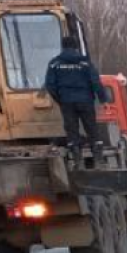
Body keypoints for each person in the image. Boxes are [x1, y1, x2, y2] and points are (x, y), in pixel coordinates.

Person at [44, 35, 109, 169]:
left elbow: (50, 85)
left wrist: (60, 99)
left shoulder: (54, 63)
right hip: (85, 101)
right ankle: (98, 161)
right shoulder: (85, 62)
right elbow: (95, 81)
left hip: (67, 102)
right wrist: (103, 99)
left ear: (63, 46)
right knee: (92, 129)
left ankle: (78, 162)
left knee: (72, 131)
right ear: (75, 47)